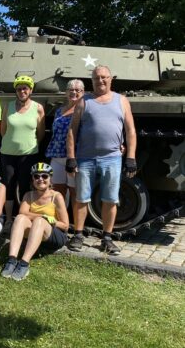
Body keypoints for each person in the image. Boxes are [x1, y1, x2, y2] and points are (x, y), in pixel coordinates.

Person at [66, 65, 137, 255]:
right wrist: (71, 158)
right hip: (85, 158)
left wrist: (130, 156)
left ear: (111, 79)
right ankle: (78, 234)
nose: (101, 81)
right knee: (81, 198)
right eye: (97, 78)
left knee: (111, 199)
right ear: (92, 80)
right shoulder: (84, 101)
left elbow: (130, 130)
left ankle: (107, 238)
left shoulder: (121, 101)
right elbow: (72, 130)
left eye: (104, 77)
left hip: (112, 158)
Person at [0, 163, 69, 281]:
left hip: (54, 236)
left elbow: (65, 226)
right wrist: (43, 215)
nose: (40, 179)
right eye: (36, 176)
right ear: (32, 179)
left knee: (39, 221)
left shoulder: (56, 197)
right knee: (20, 218)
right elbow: (22, 213)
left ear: (50, 178)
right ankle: (12, 260)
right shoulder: (28, 195)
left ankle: (24, 263)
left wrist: (50, 221)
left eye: (44, 176)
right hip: (35, 234)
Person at [0, 75, 45, 233]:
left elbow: (40, 132)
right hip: (8, 153)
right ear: (16, 91)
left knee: (26, 187)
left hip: (29, 154)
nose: (22, 91)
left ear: (30, 90)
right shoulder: (8, 106)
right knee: (9, 186)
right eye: (19, 89)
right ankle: (9, 219)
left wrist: (30, 145)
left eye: (25, 88)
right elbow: (3, 130)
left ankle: (23, 218)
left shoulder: (38, 108)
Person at [45, 79, 85, 223]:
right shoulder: (59, 111)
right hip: (56, 156)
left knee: (75, 193)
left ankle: (76, 226)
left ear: (83, 93)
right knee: (56, 193)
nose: (74, 92)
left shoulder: (85, 110)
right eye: (70, 90)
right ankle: (59, 224)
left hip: (75, 157)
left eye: (77, 90)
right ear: (66, 92)